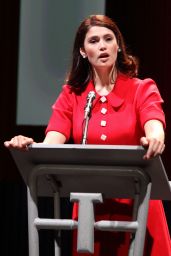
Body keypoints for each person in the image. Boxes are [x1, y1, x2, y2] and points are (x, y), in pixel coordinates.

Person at [4, 15, 170, 255]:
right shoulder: (72, 95)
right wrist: (29, 146)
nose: (102, 45)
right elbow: (52, 143)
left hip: (138, 205)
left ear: (118, 46)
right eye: (93, 41)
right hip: (91, 207)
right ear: (83, 51)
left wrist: (155, 136)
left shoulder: (141, 88)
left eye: (108, 39)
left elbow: (154, 123)